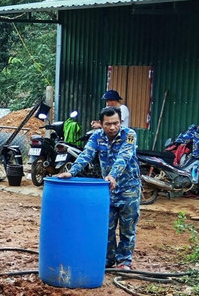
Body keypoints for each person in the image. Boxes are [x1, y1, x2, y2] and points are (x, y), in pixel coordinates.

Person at [57, 106, 141, 270]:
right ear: (100, 124)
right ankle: (107, 260)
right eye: (108, 124)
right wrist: (71, 172)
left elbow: (124, 156)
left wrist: (113, 175)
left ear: (120, 122)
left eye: (116, 123)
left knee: (127, 228)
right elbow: (86, 154)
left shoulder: (129, 135)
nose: (112, 127)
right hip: (107, 190)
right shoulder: (97, 136)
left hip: (129, 189)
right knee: (106, 227)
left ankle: (124, 261)